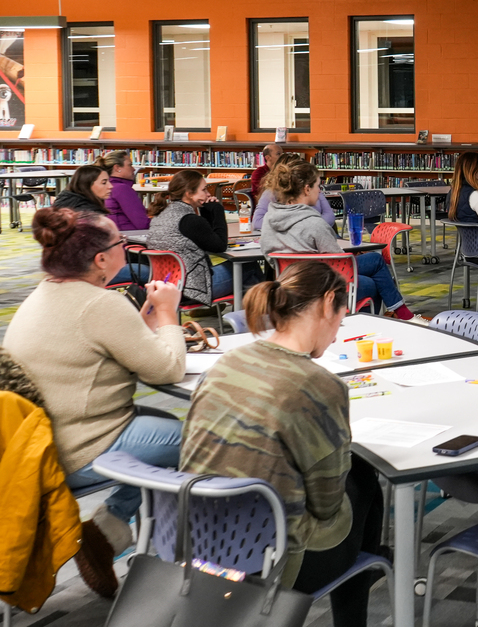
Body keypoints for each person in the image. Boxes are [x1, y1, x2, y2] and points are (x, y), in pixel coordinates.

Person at [181, 262, 383, 627]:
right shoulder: (320, 386)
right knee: (365, 479)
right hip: (271, 562)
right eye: (341, 318)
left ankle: (369, 566)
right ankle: (356, 605)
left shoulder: (225, 362)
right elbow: (326, 505)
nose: (338, 333)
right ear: (327, 304)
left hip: (198, 542)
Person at [3, 208, 186, 597]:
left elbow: (94, 349)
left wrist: (142, 324)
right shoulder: (100, 305)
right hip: (81, 446)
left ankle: (106, 533)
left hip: (39, 443)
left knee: (160, 431)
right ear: (102, 259)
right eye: (121, 243)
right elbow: (168, 369)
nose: (126, 247)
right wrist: (168, 313)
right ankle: (178, 559)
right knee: (198, 438)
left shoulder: (47, 292)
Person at [259, 159, 426, 323]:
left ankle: (390, 318)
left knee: (374, 260)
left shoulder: (269, 219)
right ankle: (378, 323)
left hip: (289, 285)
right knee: (372, 281)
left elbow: (268, 254)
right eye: (318, 186)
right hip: (319, 288)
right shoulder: (314, 223)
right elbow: (340, 266)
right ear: (306, 189)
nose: (320, 190)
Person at [147, 170, 261, 304]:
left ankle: (246, 312)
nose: (208, 194)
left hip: (166, 284)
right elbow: (219, 246)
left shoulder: (162, 214)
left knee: (244, 274)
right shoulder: (189, 220)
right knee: (249, 266)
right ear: (189, 194)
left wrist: (205, 211)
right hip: (192, 289)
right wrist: (217, 210)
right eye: (204, 190)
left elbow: (207, 240)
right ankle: (259, 313)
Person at [251, 152, 336, 231]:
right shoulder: (271, 193)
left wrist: (309, 226)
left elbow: (330, 216)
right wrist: (292, 227)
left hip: (314, 233)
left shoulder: (312, 189)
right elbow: (257, 222)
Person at [97, 150, 149, 231]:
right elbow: (143, 223)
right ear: (117, 168)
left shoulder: (106, 186)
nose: (133, 169)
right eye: (130, 165)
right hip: (128, 239)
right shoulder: (121, 189)